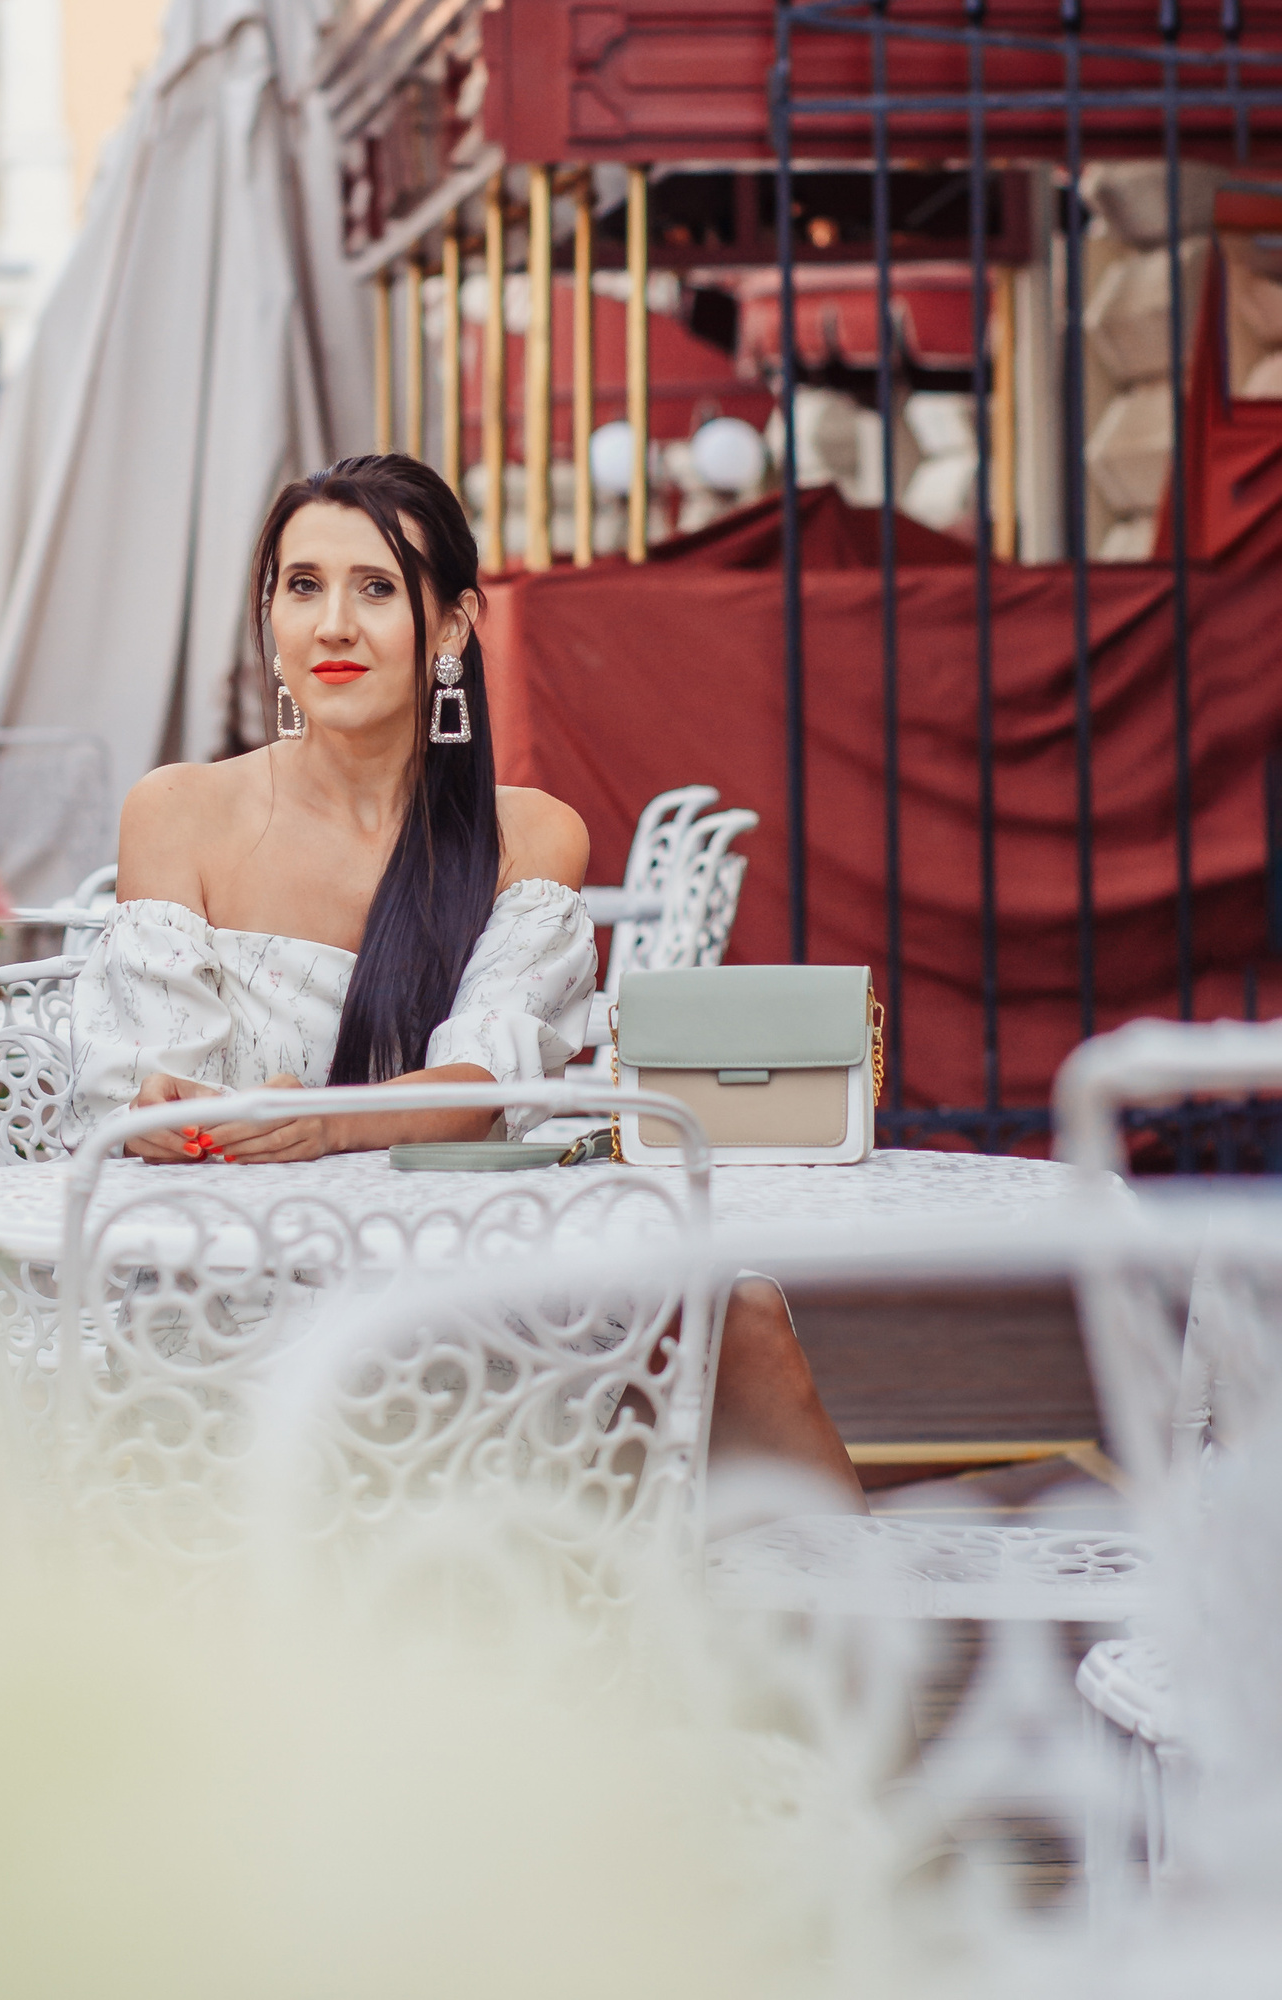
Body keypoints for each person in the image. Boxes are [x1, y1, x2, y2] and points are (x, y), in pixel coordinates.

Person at [71, 451, 864, 1506]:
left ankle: (816, 1612)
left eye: (376, 588)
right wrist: (162, 1112)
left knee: (739, 1307)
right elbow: (148, 1089)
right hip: (234, 1283)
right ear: (269, 615)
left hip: (453, 1265)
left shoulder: (527, 835)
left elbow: (481, 1087)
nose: (333, 625)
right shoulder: (178, 812)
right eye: (302, 585)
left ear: (451, 626)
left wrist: (316, 1122)